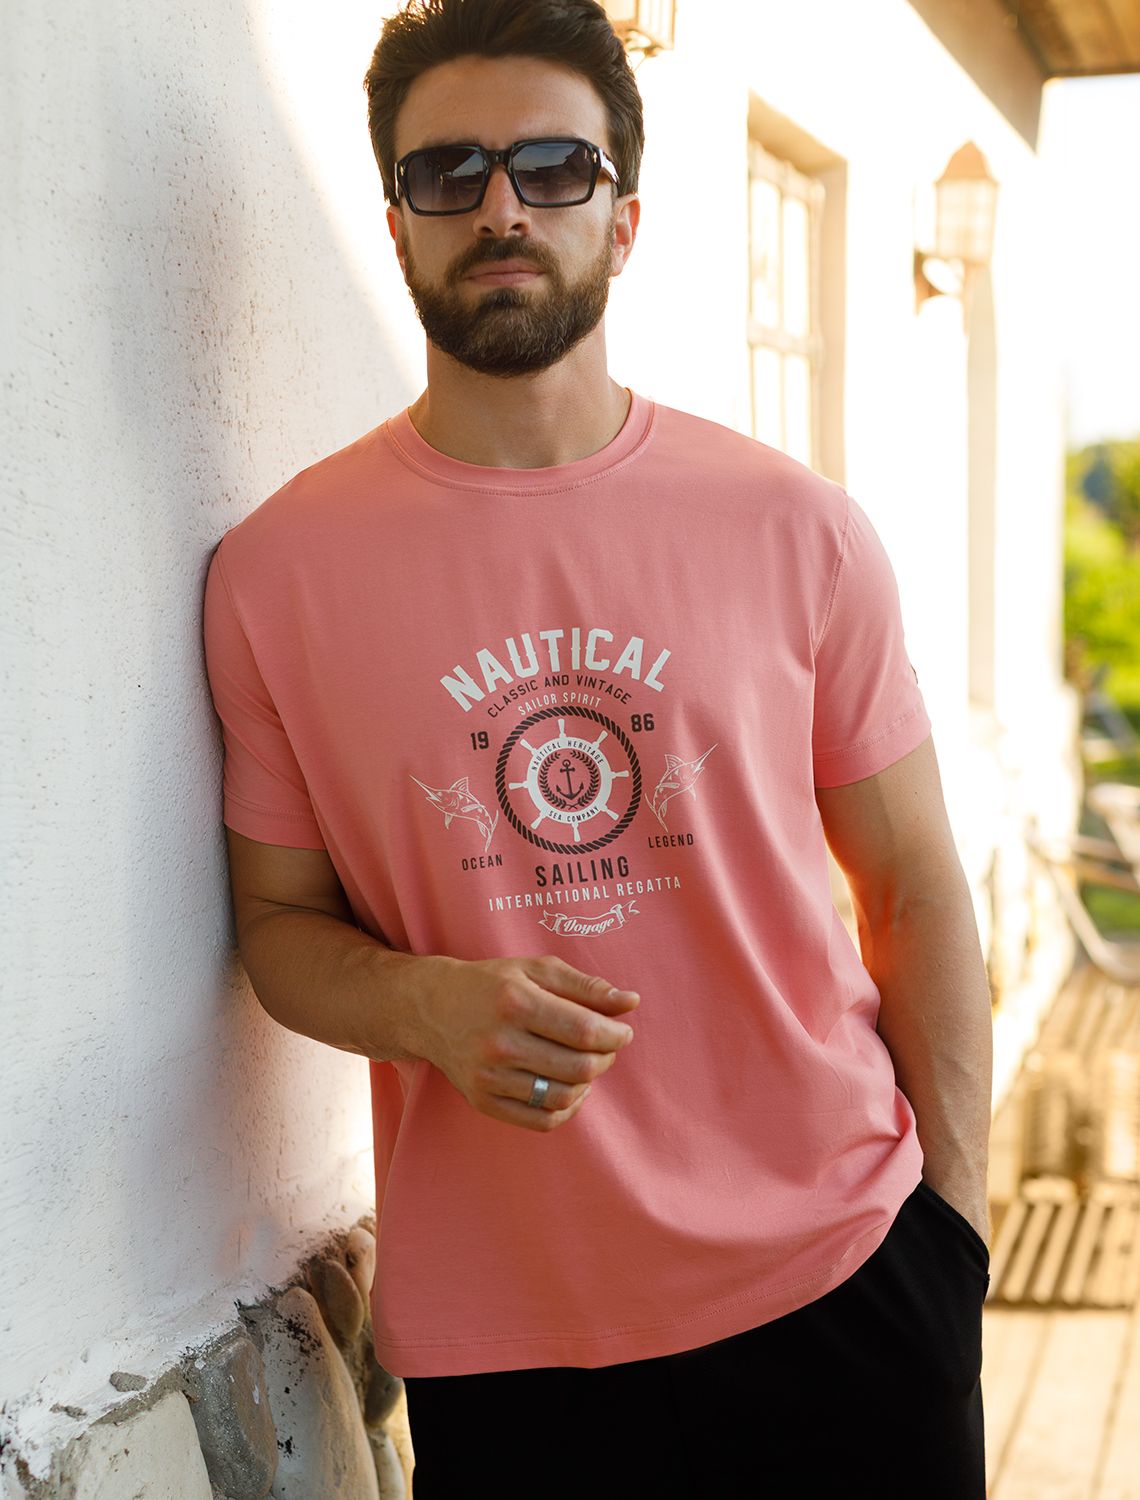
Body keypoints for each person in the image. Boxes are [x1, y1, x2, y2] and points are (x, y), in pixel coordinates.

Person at [202, 1, 994, 1493]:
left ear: (623, 220)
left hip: (848, 1285)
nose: (501, 207)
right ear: (396, 223)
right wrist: (428, 1006)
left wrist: (956, 1231)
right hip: (512, 1350)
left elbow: (915, 884)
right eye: (449, 172)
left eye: (553, 166)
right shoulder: (275, 575)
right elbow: (277, 929)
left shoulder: (795, 527)